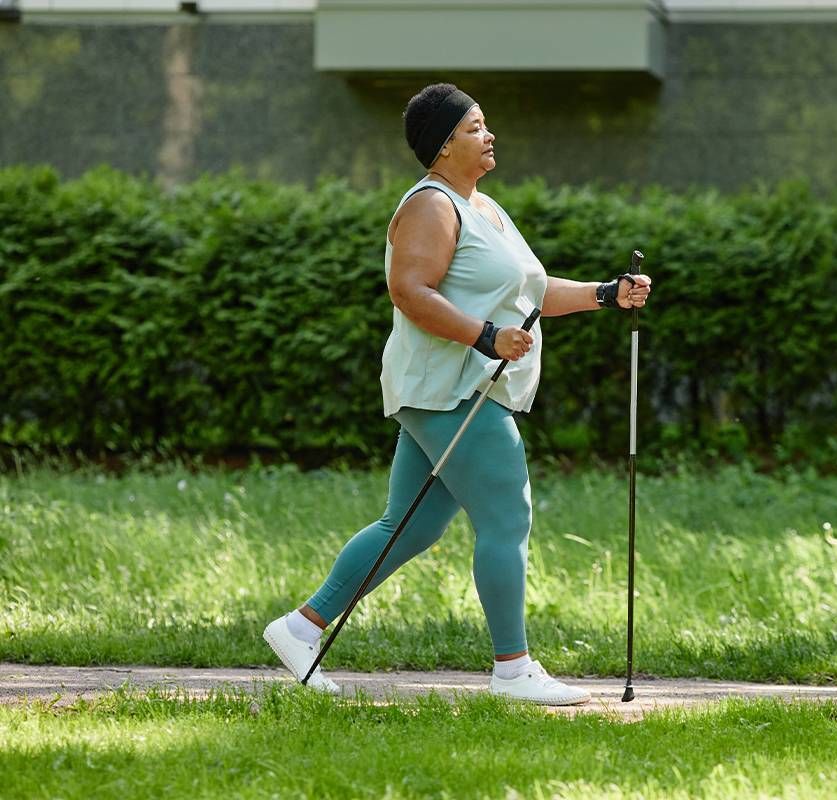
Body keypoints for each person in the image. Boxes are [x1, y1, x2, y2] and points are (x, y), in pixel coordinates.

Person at [263, 83, 652, 705]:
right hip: (451, 387)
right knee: (507, 514)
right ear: (443, 147)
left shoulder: (485, 208)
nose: (488, 135)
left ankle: (300, 628)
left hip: (456, 387)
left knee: (409, 525)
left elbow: (532, 292)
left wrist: (606, 293)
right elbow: (409, 290)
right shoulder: (431, 206)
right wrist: (485, 337)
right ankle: (513, 669)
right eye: (474, 128)